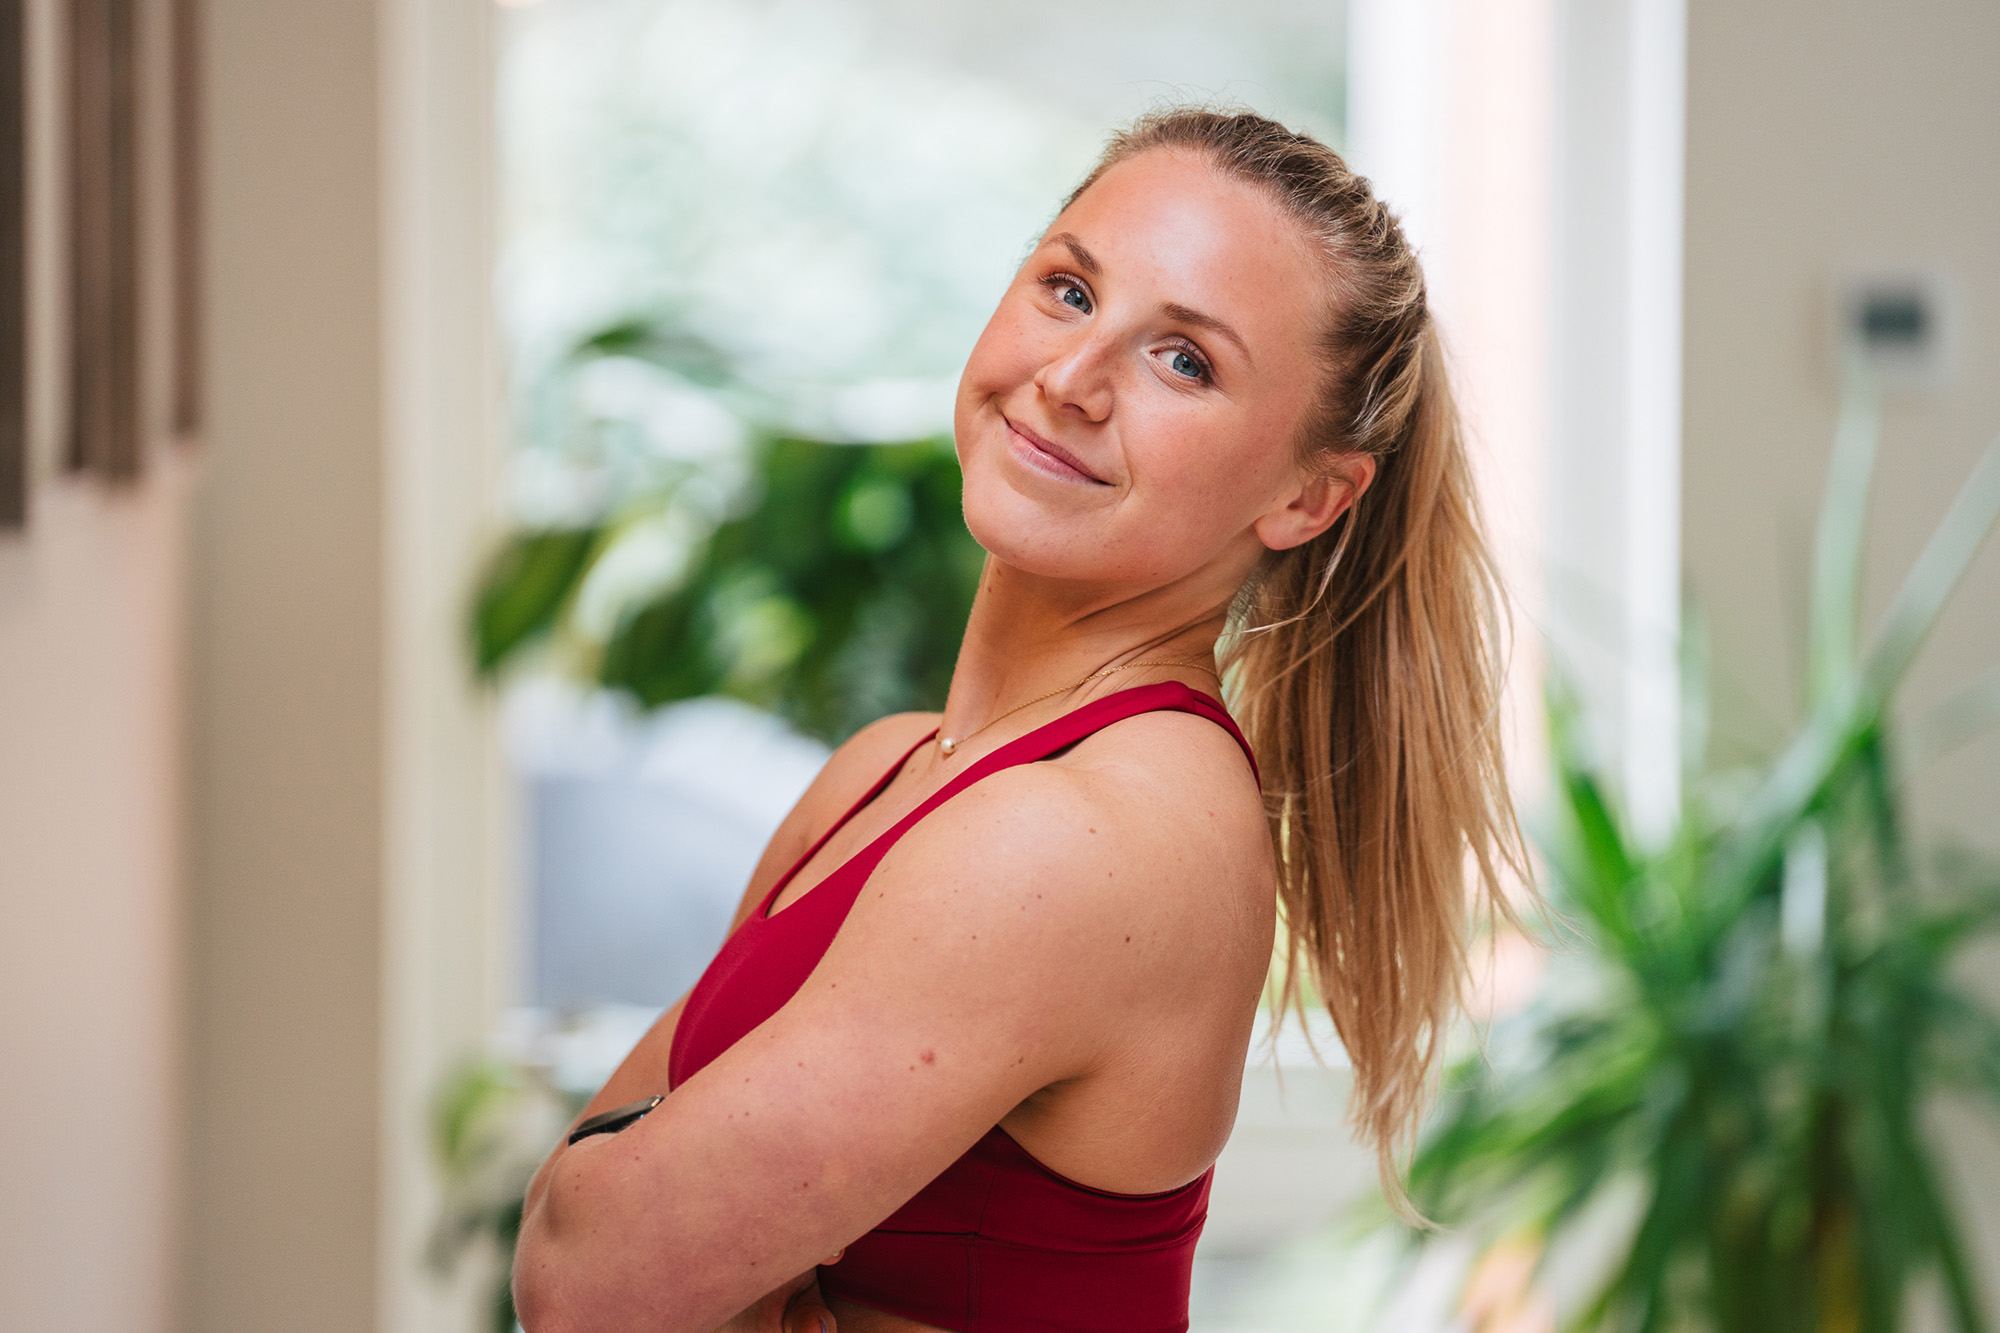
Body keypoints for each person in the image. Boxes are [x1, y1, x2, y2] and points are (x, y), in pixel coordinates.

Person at [511, 107, 1522, 1333]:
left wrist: (653, 1221)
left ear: (1309, 496)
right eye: (1067, 288)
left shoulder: (1077, 834)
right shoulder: (888, 770)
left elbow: (587, 1272)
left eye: (1183, 361)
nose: (1070, 380)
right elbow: (574, 1220)